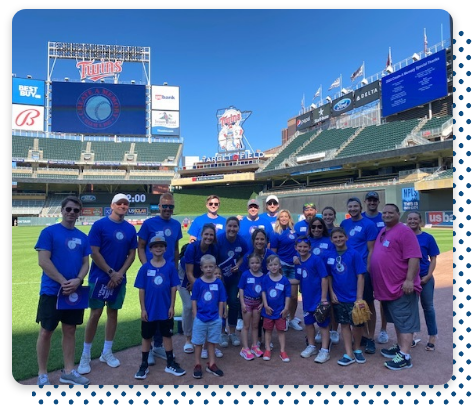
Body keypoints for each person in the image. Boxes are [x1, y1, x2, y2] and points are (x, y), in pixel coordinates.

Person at [34, 195, 91, 386]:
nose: (72, 213)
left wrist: (78, 280)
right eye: (69, 209)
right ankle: (42, 373)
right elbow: (43, 261)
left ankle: (68, 371)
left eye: (75, 210)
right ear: (62, 210)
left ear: (79, 213)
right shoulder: (49, 232)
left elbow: (86, 263)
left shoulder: (83, 237)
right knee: (46, 331)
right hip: (52, 291)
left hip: (74, 293)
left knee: (70, 330)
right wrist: (63, 281)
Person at [78, 193, 138, 375]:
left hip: (119, 279)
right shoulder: (99, 225)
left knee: (113, 314)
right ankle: (85, 355)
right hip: (100, 278)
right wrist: (111, 273)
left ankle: (107, 352)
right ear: (112, 205)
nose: (123, 206)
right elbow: (94, 252)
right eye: (119, 203)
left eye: (126, 204)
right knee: (95, 314)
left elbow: (132, 254)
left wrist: (119, 274)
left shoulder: (129, 229)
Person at [370, 204, 422, 370]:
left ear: (398, 214)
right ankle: (400, 347)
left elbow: (414, 257)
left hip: (401, 286)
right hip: (387, 287)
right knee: (398, 320)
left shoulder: (404, 231)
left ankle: (405, 356)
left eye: (390, 212)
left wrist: (409, 280)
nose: (386, 215)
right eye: (384, 212)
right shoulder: (384, 231)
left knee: (405, 320)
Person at [137, 192, 182, 365]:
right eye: (165, 206)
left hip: (169, 272)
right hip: (151, 272)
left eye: (171, 206)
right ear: (159, 206)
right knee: (149, 309)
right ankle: (149, 349)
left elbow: (176, 249)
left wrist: (176, 269)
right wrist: (145, 265)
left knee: (166, 309)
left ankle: (158, 346)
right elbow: (141, 246)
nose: (168, 209)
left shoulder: (176, 224)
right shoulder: (149, 224)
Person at [133, 236, 185, 379]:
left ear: (165, 248)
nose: (158, 248)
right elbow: (141, 289)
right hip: (149, 310)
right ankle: (143, 365)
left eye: (161, 246)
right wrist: (143, 309)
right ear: (150, 249)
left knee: (167, 335)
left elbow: (174, 287)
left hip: (165, 309)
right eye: (155, 246)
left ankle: (170, 363)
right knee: (146, 336)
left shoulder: (169, 267)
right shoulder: (145, 268)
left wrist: (172, 306)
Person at [340, 197, 378, 355]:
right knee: (352, 302)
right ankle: (361, 335)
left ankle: (370, 337)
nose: (353, 209)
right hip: (347, 270)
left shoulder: (368, 224)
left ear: (360, 207)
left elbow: (371, 249)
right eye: (350, 206)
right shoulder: (344, 224)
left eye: (355, 206)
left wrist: (367, 268)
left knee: (367, 303)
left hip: (362, 269)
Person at [325, 227, 367, 366]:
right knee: (344, 324)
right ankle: (348, 353)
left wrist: (359, 297)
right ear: (331, 240)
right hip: (339, 296)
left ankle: (357, 349)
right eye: (335, 237)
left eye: (341, 237)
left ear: (346, 237)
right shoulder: (330, 255)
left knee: (357, 324)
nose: (338, 239)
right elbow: (329, 276)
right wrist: (332, 293)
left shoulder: (354, 254)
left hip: (354, 296)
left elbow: (360, 276)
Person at [177, 224, 219, 357]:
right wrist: (197, 285)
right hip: (184, 275)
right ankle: (188, 339)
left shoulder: (213, 249)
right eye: (206, 234)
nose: (209, 237)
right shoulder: (192, 247)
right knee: (189, 306)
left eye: (211, 235)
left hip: (200, 276)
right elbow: (189, 272)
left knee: (204, 304)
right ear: (201, 235)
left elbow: (209, 268)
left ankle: (205, 340)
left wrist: (199, 283)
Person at [294, 236, 331, 364]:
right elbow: (298, 279)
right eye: (300, 247)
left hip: (318, 298)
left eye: (305, 247)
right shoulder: (298, 262)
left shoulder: (316, 260)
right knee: (309, 323)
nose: (302, 249)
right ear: (296, 248)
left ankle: (325, 350)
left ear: (310, 248)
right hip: (307, 299)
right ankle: (312, 346)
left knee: (323, 324)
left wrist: (324, 298)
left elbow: (324, 278)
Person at [406, 211, 440, 351]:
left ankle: (432, 336)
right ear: (407, 221)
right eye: (410, 219)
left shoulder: (428, 238)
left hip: (424, 277)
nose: (412, 221)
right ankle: (411, 337)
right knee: (410, 308)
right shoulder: (404, 237)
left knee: (428, 307)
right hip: (408, 278)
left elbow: (433, 259)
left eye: (415, 219)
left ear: (420, 221)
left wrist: (428, 276)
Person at [191, 254, 227, 379]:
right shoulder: (198, 283)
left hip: (214, 318)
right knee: (198, 342)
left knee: (212, 341)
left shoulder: (218, 283)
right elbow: (194, 299)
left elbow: (221, 300)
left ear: (215, 267)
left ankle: (211, 364)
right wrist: (195, 315)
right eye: (206, 267)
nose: (208, 269)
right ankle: (197, 364)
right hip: (200, 317)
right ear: (201, 268)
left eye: (211, 267)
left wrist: (220, 316)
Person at [239, 228, 276, 347]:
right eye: (257, 239)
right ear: (253, 240)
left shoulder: (271, 255)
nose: (259, 241)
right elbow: (244, 277)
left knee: (266, 315)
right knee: (254, 320)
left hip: (268, 290)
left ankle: (267, 338)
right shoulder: (248, 256)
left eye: (262, 239)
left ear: (266, 241)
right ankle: (258, 340)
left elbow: (277, 272)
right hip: (252, 294)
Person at [216, 216, 249, 347]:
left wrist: (239, 264)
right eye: (230, 226)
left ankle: (232, 332)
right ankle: (222, 332)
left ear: (238, 228)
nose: (232, 229)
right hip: (220, 278)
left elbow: (245, 255)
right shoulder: (219, 239)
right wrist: (217, 269)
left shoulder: (241, 240)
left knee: (234, 302)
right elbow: (213, 256)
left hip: (234, 277)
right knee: (221, 303)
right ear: (225, 227)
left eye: (235, 226)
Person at [362, 191, 389, 345]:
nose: (372, 202)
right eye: (370, 200)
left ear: (378, 202)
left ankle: (383, 330)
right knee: (367, 300)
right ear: (365, 201)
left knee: (383, 299)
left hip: (383, 264)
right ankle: (367, 332)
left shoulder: (384, 218)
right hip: (365, 266)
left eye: (375, 200)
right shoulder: (360, 218)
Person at [305, 216, 338, 344]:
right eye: (313, 227)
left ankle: (333, 330)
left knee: (329, 304)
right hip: (311, 280)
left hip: (328, 277)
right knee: (315, 306)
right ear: (310, 228)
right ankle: (321, 329)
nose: (316, 229)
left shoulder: (329, 241)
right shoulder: (307, 241)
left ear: (323, 227)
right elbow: (300, 256)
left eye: (319, 226)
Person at [270, 209, 302, 331]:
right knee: (283, 295)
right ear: (278, 219)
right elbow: (273, 253)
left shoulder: (294, 231)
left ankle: (292, 318)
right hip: (282, 266)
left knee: (294, 296)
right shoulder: (275, 233)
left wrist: (297, 256)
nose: (283, 218)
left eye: (286, 216)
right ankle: (283, 318)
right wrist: (277, 267)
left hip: (293, 266)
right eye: (281, 216)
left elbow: (300, 247)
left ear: (289, 218)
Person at [261, 254, 291, 362]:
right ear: (267, 267)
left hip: (280, 311)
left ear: (280, 266)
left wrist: (286, 308)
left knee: (281, 331)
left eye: (275, 264)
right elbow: (263, 292)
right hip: (268, 311)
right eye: (271, 265)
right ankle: (268, 349)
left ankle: (282, 351)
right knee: (268, 331)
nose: (273, 267)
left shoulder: (284, 280)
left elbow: (288, 295)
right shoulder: (265, 279)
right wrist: (265, 305)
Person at [238, 253, 265, 360]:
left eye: (257, 263)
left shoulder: (263, 276)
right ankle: (245, 348)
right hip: (247, 302)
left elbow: (264, 291)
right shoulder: (245, 274)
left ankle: (254, 345)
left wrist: (263, 303)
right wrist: (242, 303)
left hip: (258, 303)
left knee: (255, 325)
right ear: (249, 264)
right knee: (246, 326)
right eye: (252, 263)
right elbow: (241, 289)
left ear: (260, 264)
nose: (255, 265)